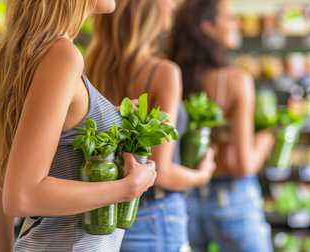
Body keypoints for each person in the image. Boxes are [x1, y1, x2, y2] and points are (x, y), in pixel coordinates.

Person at [0, 1, 157, 251]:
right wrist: (126, 188)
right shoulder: (62, 55)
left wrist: (113, 116)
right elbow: (21, 195)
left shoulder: (22, 51)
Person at [85, 0, 216, 251]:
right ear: (143, 8)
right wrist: (202, 175)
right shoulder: (163, 72)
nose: (173, 4)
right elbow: (161, 172)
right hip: (152, 215)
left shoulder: (87, 67)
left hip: (98, 216)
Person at [168, 0, 275, 251]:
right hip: (231, 197)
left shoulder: (168, 72)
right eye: (229, 17)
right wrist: (266, 140)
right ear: (208, 26)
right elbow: (243, 164)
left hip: (182, 197)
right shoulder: (236, 80)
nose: (237, 23)